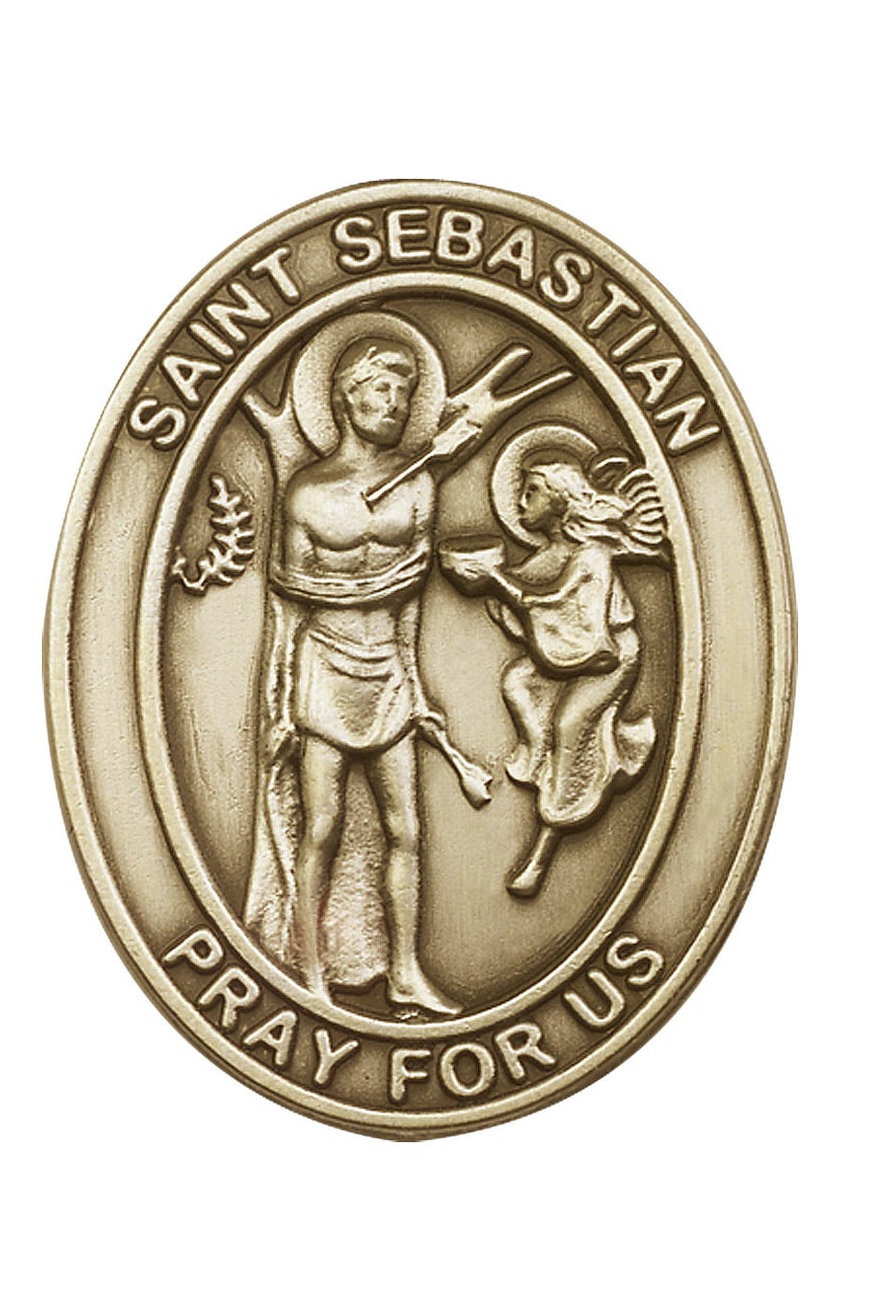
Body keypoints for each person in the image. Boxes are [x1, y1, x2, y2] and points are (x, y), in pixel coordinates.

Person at [261, 338, 459, 1013]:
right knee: (323, 825)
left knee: (407, 829)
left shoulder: (419, 484)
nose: (395, 404)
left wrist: (416, 681)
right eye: (381, 390)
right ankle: (311, 974)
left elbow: (413, 598)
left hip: (389, 673)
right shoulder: (307, 492)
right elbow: (290, 599)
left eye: (404, 393)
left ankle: (404, 972)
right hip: (324, 666)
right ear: (346, 398)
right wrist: (281, 702)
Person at [442, 452, 668, 896]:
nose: (520, 503)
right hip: (572, 657)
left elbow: (561, 612)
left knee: (572, 726)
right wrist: (485, 581)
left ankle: (543, 850)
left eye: (532, 493)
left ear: (561, 501)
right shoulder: (552, 555)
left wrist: (497, 582)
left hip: (608, 658)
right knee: (519, 683)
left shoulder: (593, 557)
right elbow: (524, 599)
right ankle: (548, 756)